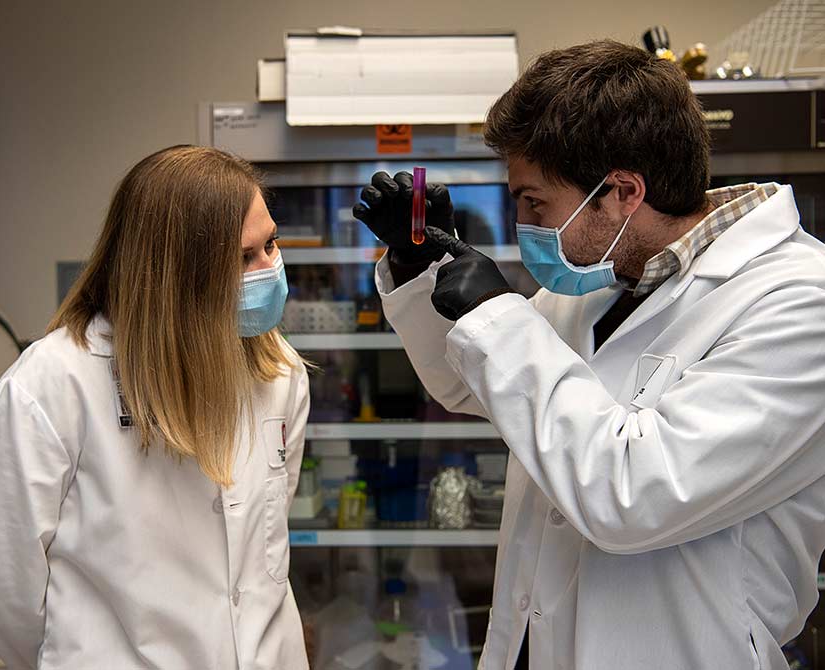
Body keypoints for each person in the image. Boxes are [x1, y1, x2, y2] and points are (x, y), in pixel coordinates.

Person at [353, 40, 825, 670]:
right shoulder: (601, 279)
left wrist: (497, 319)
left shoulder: (798, 305)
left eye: (534, 203)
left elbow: (632, 494)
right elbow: (475, 387)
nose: (524, 226)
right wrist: (421, 269)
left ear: (623, 192)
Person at [0, 146, 311, 669]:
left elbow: (264, 548)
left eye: (271, 244)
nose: (270, 269)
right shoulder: (54, 383)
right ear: (176, 273)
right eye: (244, 257)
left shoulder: (279, 371)